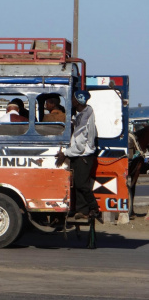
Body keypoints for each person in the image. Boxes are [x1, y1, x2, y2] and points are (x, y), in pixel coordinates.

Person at [55, 90, 99, 219]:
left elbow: (79, 147)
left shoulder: (84, 118)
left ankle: (94, 208)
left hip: (83, 156)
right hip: (82, 155)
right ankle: (82, 210)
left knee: (81, 184)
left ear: (79, 101)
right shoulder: (84, 113)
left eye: (73, 99)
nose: (71, 101)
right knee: (78, 183)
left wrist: (65, 153)